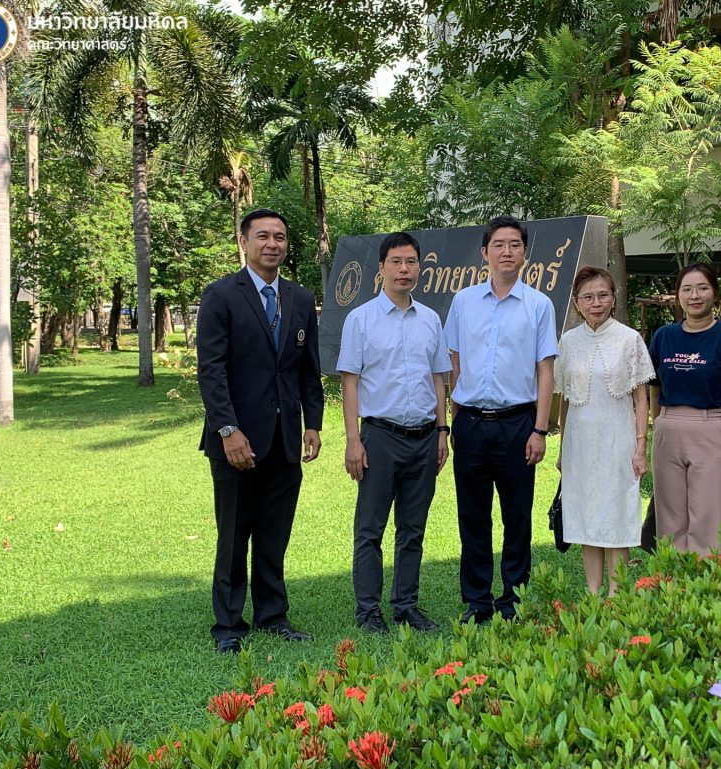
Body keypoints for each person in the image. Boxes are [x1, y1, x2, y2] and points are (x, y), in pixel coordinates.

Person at [197, 208, 324, 654]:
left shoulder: (300, 299)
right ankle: (229, 625)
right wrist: (228, 430)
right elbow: (212, 371)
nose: (273, 244)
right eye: (263, 236)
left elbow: (308, 369)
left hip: (285, 438)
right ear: (245, 241)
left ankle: (273, 615)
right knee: (234, 535)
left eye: (280, 237)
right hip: (236, 440)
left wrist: (313, 424)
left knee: (274, 534)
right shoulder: (220, 295)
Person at [444, 215, 559, 624]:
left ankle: (513, 599)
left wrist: (540, 429)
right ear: (484, 252)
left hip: (518, 425)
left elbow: (545, 371)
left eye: (514, 244)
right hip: (471, 424)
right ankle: (477, 600)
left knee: (517, 516)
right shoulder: (463, 302)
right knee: (472, 516)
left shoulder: (539, 305)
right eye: (499, 244)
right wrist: (454, 418)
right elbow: (454, 362)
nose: (506, 251)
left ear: (525, 253)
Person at [336, 232, 451, 634]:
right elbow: (350, 383)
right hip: (380, 438)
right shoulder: (361, 319)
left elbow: (438, 378)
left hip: (425, 437)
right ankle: (368, 611)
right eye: (396, 262)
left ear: (419, 268)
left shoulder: (430, 320)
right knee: (370, 530)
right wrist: (353, 440)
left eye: (411, 262)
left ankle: (405, 606)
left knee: (413, 529)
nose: (404, 269)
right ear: (382, 267)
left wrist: (442, 431)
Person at [555, 266, 654, 595]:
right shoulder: (568, 342)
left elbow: (641, 398)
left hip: (617, 440)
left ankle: (617, 595)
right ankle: (593, 594)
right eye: (588, 297)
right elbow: (565, 400)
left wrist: (640, 448)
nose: (595, 303)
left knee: (616, 514)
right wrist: (562, 450)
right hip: (579, 443)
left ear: (613, 298)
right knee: (585, 516)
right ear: (576, 303)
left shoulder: (629, 339)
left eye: (602, 295)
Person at [648, 263, 721, 555]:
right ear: (678, 295)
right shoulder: (663, 336)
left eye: (702, 288)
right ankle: (671, 578)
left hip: (712, 428)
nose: (694, 296)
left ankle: (705, 577)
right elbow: (655, 386)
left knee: (709, 518)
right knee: (669, 518)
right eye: (686, 289)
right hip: (668, 429)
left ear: (715, 294)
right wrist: (658, 423)